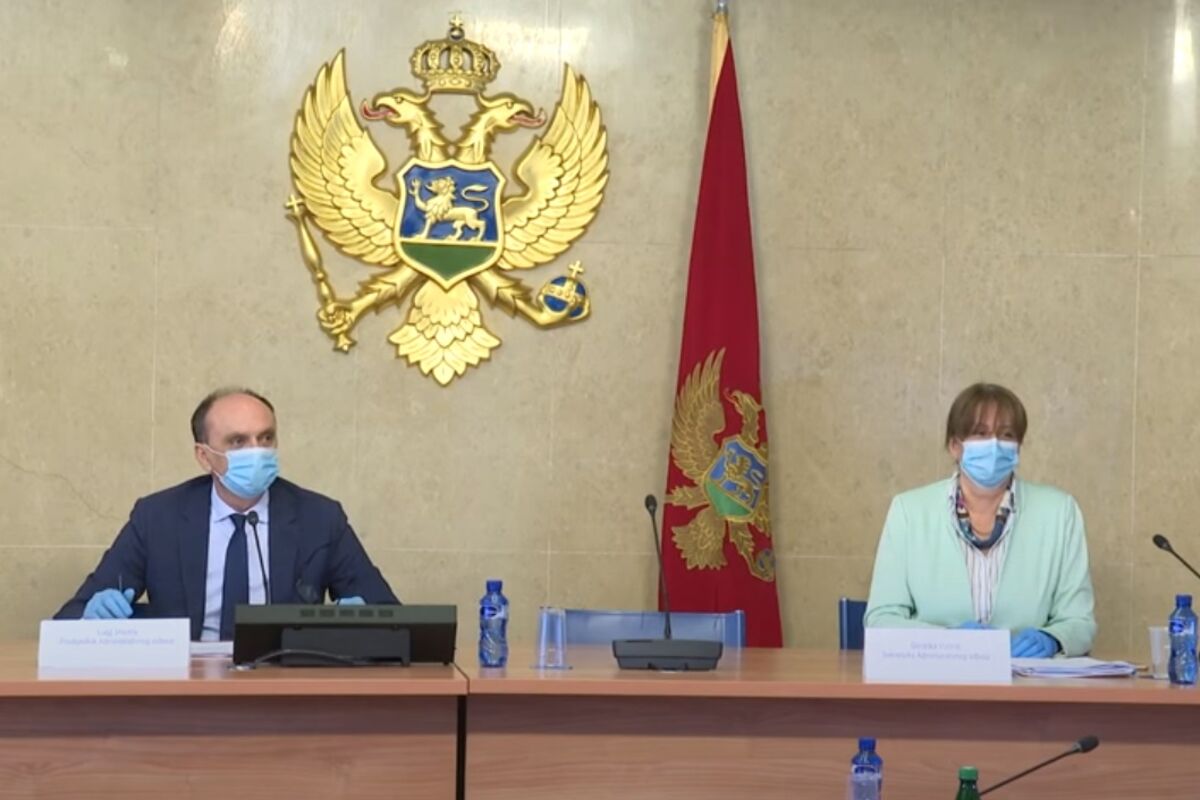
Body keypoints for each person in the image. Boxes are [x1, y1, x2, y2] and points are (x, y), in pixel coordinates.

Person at [55, 387, 399, 641]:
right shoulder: (157, 518)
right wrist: (91, 618)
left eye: (266, 438)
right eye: (238, 442)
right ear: (204, 456)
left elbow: (394, 620)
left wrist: (364, 619)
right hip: (183, 688)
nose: (257, 452)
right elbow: (69, 617)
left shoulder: (319, 518)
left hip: (283, 685)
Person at [864, 382, 1096, 657]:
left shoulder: (1059, 512)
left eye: (1006, 434)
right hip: (937, 674)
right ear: (955, 446)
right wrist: (949, 641)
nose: (994, 445)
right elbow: (881, 619)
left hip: (1026, 677)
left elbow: (1079, 621)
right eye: (980, 433)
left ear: (1018, 447)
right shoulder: (909, 512)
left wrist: (1053, 638)